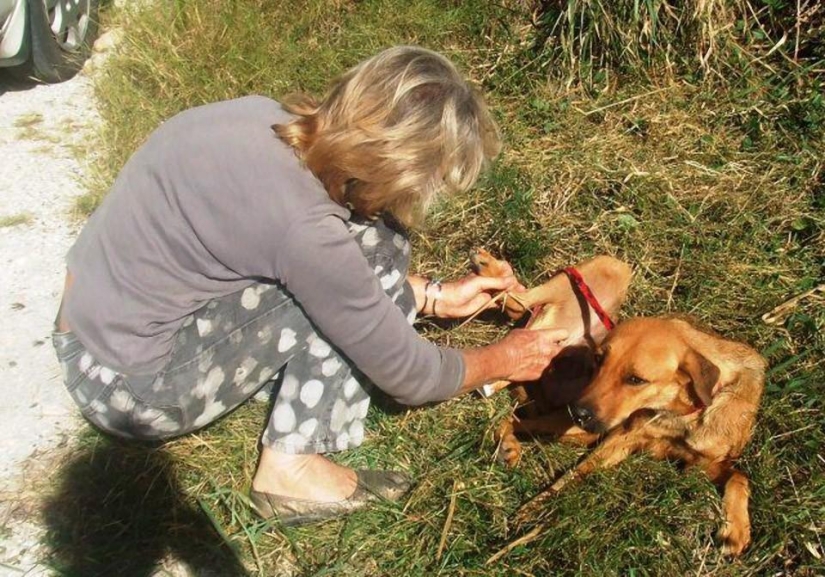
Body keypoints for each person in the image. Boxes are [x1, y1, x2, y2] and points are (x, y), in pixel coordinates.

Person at [53, 46, 567, 526]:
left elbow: (280, 256)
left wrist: (432, 295)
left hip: (83, 325)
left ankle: (283, 397)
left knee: (360, 256)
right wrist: (505, 357)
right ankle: (290, 470)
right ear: (400, 169)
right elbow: (410, 376)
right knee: (379, 245)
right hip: (130, 391)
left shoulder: (258, 115)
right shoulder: (305, 233)